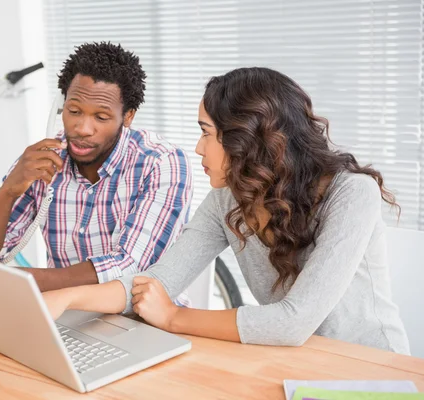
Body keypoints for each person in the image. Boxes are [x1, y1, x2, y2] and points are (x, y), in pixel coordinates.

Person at [41, 67, 411, 354]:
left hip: (370, 367)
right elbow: (154, 283)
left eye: (206, 132)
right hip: (288, 360)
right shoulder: (225, 201)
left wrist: (173, 317)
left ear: (244, 138)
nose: (198, 148)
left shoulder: (351, 193)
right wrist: (67, 298)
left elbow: (291, 324)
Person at [0, 42, 193, 307]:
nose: (82, 128)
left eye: (101, 117)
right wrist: (9, 190)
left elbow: (130, 266)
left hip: (144, 320)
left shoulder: (160, 162)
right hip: (63, 314)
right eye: (74, 111)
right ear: (61, 105)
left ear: (127, 116)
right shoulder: (43, 161)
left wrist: (20, 279)